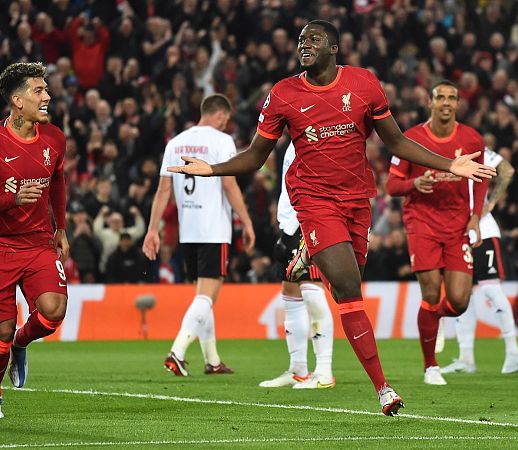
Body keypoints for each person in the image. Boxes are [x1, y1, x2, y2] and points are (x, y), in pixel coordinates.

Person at [167, 20, 495, 415]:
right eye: (301, 39)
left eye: (314, 39)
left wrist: (450, 165)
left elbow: (395, 141)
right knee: (350, 289)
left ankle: (313, 257)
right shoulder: (283, 94)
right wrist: (212, 169)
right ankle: (384, 389)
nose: (304, 45)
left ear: (334, 47)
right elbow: (256, 156)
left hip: (357, 199)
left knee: (345, 286)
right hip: (313, 197)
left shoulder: (363, 85)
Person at [0, 62, 70, 418]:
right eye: (38, 91)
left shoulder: (55, 138)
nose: (47, 97)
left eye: (46, 90)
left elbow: (57, 181)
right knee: (2, 329)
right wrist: (12, 199)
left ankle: (22, 344)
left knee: (54, 311)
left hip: (38, 240)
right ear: (17, 100)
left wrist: (61, 227)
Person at [143, 93, 255, 378]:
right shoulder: (221, 141)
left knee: (201, 295)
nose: (226, 124)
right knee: (208, 295)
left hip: (188, 230)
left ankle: (212, 359)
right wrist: (247, 221)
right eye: (226, 120)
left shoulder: (175, 142)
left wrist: (151, 230)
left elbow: (163, 191)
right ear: (219, 115)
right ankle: (177, 352)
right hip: (214, 228)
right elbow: (229, 186)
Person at [386, 80, 487, 386]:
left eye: (451, 98)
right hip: (422, 223)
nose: (446, 102)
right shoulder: (411, 139)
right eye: (440, 97)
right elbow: (391, 186)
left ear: (458, 104)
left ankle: (435, 318)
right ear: (429, 103)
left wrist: (475, 218)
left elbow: (481, 180)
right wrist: (414, 184)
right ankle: (431, 366)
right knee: (430, 292)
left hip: (457, 226)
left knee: (459, 301)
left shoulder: (471, 139)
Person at [439, 146, 518, 375]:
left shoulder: (473, 147)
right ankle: (466, 359)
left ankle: (513, 351)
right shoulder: (434, 150)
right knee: (461, 294)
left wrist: (491, 202)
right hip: (456, 232)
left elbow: (507, 170)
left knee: (490, 290)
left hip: (483, 230)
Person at [259, 142, 335, 389]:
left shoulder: (319, 136)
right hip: (290, 223)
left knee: (311, 290)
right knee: (291, 293)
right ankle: (298, 369)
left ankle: (324, 370)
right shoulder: (292, 143)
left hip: (309, 220)